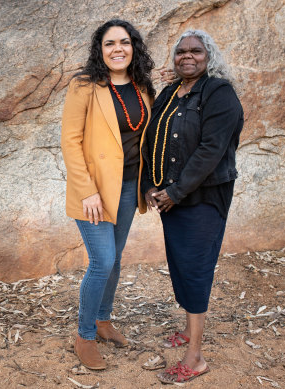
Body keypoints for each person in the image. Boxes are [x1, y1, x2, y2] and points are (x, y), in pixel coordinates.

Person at [141, 29, 244, 383]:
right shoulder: (170, 93)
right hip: (173, 198)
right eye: (181, 51)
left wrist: (175, 191)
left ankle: (195, 356)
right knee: (181, 265)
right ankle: (189, 331)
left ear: (208, 55)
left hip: (202, 197)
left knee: (196, 269)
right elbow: (152, 139)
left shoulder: (219, 93)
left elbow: (210, 151)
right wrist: (151, 184)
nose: (188, 56)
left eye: (196, 51)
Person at [60, 19, 157, 370]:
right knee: (101, 261)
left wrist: (152, 183)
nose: (119, 49)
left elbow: (147, 140)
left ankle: (103, 320)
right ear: (100, 50)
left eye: (125, 42)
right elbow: (70, 141)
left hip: (129, 187)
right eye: (110, 43)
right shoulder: (85, 85)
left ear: (134, 47)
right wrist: (87, 190)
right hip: (95, 191)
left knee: (114, 259)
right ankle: (84, 336)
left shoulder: (143, 86)